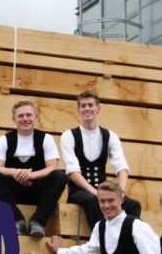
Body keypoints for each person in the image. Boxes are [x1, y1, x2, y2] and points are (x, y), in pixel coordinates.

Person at [60, 90, 141, 230]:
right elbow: (73, 172)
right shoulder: (69, 136)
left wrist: (120, 193)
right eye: (83, 106)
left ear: (98, 108)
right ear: (78, 110)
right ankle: (102, 238)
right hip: (79, 192)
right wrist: (96, 193)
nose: (87, 109)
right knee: (92, 200)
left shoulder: (110, 135)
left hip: (104, 191)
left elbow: (121, 167)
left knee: (133, 205)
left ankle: (127, 238)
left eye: (90, 105)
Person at [0, 99, 67, 237]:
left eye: (28, 115)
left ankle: (37, 221)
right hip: (12, 193)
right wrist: (15, 172)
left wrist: (32, 175)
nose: (25, 119)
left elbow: (53, 167)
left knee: (60, 176)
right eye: (20, 116)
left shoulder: (46, 139)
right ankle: (16, 220)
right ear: (14, 119)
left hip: (37, 191)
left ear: (35, 117)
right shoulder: (4, 140)